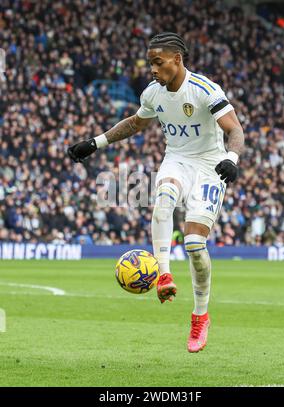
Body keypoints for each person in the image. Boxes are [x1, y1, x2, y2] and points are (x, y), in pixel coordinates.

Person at [68, 32, 245, 353]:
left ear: (177, 60)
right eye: (150, 62)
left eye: (157, 62)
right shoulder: (153, 93)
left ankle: (200, 316)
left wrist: (231, 159)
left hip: (209, 166)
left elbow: (235, 129)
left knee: (194, 244)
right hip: (176, 160)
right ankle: (163, 275)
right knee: (162, 201)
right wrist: (95, 143)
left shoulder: (205, 90)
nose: (152, 69)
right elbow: (136, 123)